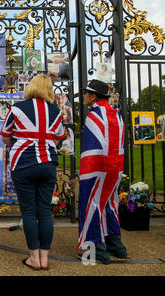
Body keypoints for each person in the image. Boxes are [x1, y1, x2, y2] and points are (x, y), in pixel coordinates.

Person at [0, 74, 64, 270]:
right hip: (48, 164)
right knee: (44, 211)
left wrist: (17, 145)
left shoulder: (18, 107)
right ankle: (44, 259)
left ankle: (33, 259)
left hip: (24, 164)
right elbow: (58, 138)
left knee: (29, 210)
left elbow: (4, 136)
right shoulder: (56, 111)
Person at [77, 79, 128, 264]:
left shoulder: (93, 115)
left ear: (93, 96)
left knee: (91, 204)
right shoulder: (117, 113)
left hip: (96, 168)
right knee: (110, 203)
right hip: (115, 167)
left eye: (85, 93)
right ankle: (115, 244)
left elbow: (90, 148)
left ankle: (95, 247)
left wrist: (82, 174)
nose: (83, 96)